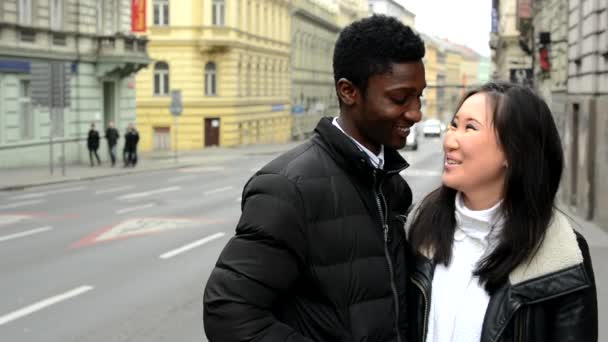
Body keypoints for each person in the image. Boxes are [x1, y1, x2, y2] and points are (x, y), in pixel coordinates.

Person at [203, 15, 426, 342]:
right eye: (399, 98)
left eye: (419, 96)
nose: (416, 112)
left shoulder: (390, 185)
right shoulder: (288, 187)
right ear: (349, 92)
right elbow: (228, 312)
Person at [407, 82, 597, 342]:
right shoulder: (422, 230)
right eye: (454, 124)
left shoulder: (562, 255)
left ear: (513, 150)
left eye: (470, 127)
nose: (450, 140)